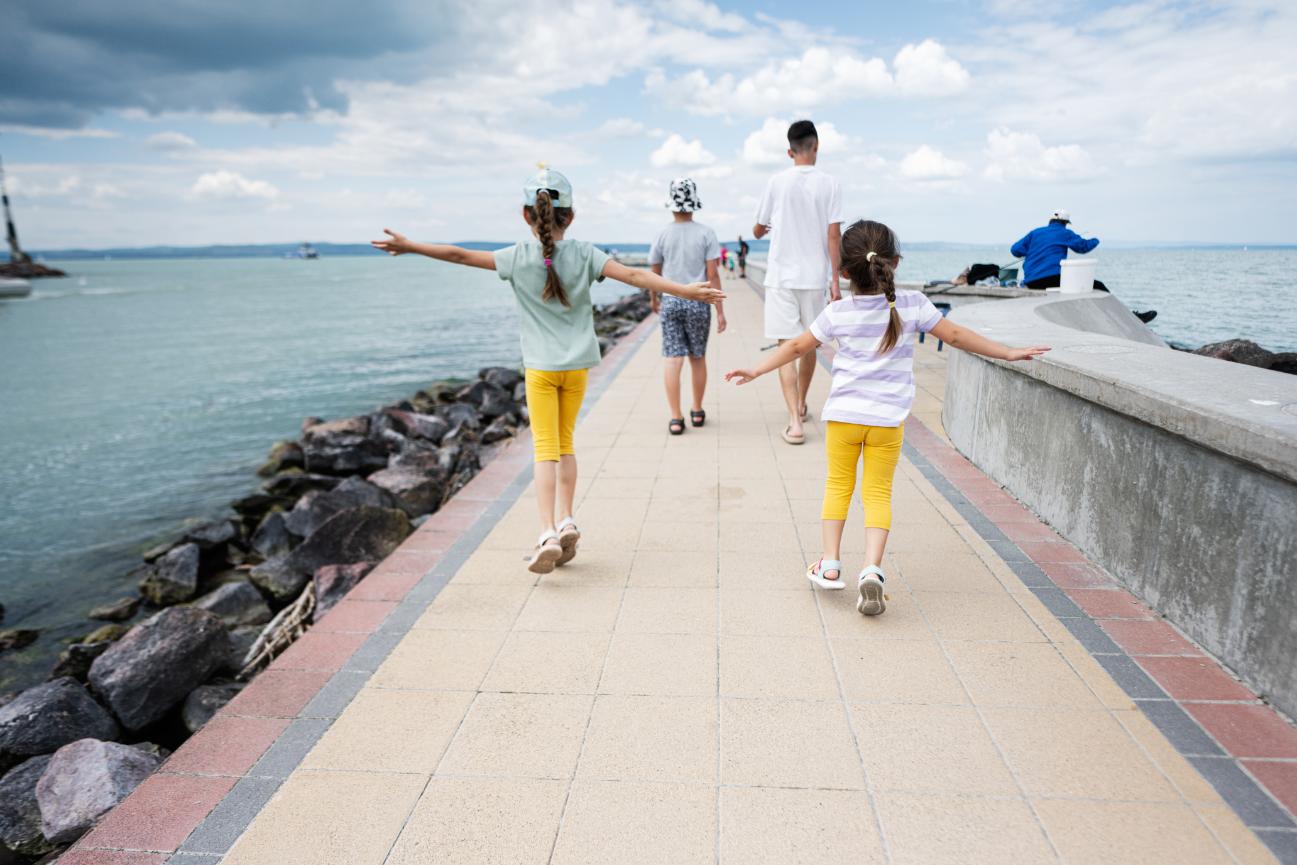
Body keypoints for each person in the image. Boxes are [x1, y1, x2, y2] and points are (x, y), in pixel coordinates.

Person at [372, 167, 724, 573]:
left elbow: (458, 254)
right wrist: (687, 289)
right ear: (569, 216)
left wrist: (411, 246)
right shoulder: (584, 253)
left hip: (540, 369)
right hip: (576, 367)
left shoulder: (518, 257)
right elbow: (634, 275)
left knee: (545, 449)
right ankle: (568, 517)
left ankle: (547, 532)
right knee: (566, 443)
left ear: (527, 215)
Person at [725, 220, 1048, 615]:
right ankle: (872, 570)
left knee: (838, 486)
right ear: (894, 263)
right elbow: (958, 337)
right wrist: (1009, 352)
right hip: (887, 422)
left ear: (843, 273)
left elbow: (795, 346)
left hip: (844, 418)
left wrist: (756, 370)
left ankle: (829, 565)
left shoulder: (837, 312)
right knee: (878, 492)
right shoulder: (912, 305)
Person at [752, 119, 843, 446]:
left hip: (780, 278)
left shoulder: (776, 182)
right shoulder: (831, 184)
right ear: (816, 147)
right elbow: (834, 235)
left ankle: (794, 423)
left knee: (785, 347)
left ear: (790, 151)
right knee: (809, 345)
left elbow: (758, 229)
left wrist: (764, 229)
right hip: (815, 277)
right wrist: (835, 282)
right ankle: (802, 404)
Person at [649, 178, 727, 435]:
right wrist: (720, 310)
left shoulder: (662, 233)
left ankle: (675, 417)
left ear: (671, 205)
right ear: (694, 204)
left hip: (670, 300)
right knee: (697, 357)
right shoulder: (706, 233)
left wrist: (653, 298)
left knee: (672, 360)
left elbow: (654, 272)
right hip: (699, 301)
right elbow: (712, 274)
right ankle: (696, 410)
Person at [1011, 209, 1108, 291]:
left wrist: (1030, 251)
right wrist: (1096, 240)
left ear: (1050, 221)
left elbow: (1015, 250)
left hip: (1030, 281)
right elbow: (1083, 247)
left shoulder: (1035, 233)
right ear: (1065, 223)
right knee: (1098, 286)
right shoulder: (1066, 233)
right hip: (1052, 279)